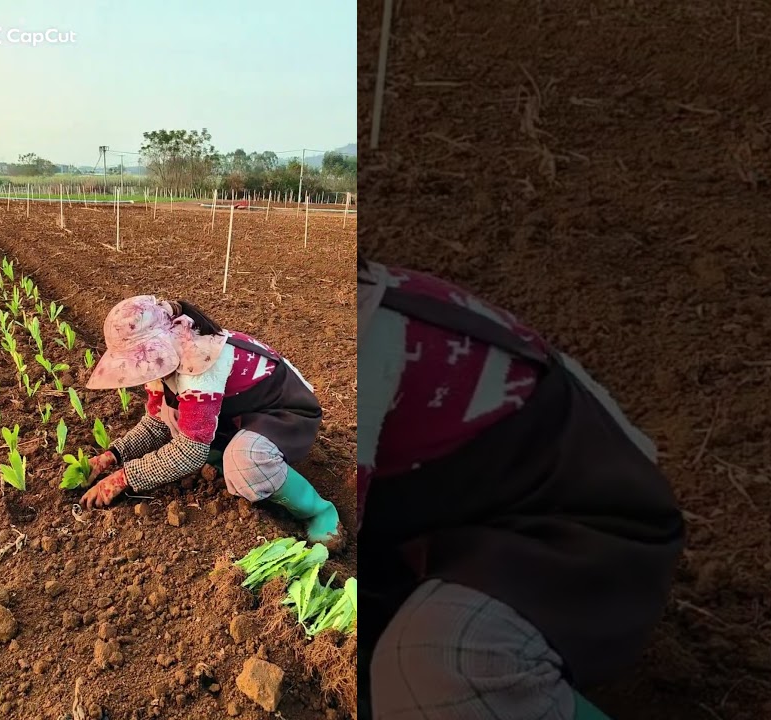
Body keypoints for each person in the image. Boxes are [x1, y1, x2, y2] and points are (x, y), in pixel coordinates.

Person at [357, 257, 686, 719]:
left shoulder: (370, 349)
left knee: (438, 670)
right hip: (472, 524)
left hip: (590, 537)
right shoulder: (368, 310)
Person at [78, 295, 343, 549]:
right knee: (173, 416)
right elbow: (156, 423)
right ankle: (222, 455)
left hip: (286, 415)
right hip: (240, 414)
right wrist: (111, 456)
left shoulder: (199, 364)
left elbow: (190, 453)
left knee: (245, 461)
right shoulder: (165, 359)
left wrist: (123, 479)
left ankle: (317, 510)